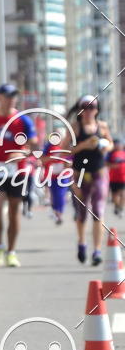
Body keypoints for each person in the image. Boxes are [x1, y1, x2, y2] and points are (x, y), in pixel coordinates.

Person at [0, 84, 37, 268]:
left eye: (14, 96)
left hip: (17, 170)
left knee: (13, 210)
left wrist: (22, 153)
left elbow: (35, 145)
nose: (12, 99)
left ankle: (11, 252)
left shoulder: (23, 120)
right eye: (8, 96)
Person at [68, 94, 113, 265]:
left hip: (99, 173)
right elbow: (65, 150)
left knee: (98, 211)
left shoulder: (102, 126)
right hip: (79, 175)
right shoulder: (75, 128)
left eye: (92, 107)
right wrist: (83, 146)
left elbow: (110, 144)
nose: (88, 111)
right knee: (82, 213)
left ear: (97, 109)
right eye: (85, 108)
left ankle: (97, 251)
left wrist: (105, 146)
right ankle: (82, 243)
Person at [41, 127, 71, 225]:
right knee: (54, 194)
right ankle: (55, 210)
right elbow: (42, 159)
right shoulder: (48, 146)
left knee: (61, 194)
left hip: (63, 175)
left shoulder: (66, 146)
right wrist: (53, 158)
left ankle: (59, 214)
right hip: (52, 175)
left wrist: (69, 163)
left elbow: (71, 159)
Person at [107, 137, 125, 217]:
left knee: (123, 194)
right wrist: (113, 166)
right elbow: (105, 163)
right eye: (116, 144)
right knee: (114, 196)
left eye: (119, 144)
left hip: (123, 178)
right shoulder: (110, 154)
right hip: (113, 178)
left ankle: (121, 208)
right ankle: (117, 206)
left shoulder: (124, 152)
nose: (118, 146)